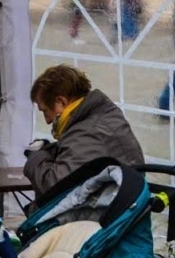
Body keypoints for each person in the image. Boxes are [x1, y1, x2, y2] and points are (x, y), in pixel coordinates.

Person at [24, 64, 143, 197]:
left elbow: (53, 187)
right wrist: (49, 150)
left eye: (45, 111)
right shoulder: (102, 115)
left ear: (61, 102)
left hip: (109, 206)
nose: (47, 121)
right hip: (119, 201)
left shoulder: (87, 132)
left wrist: (35, 157)